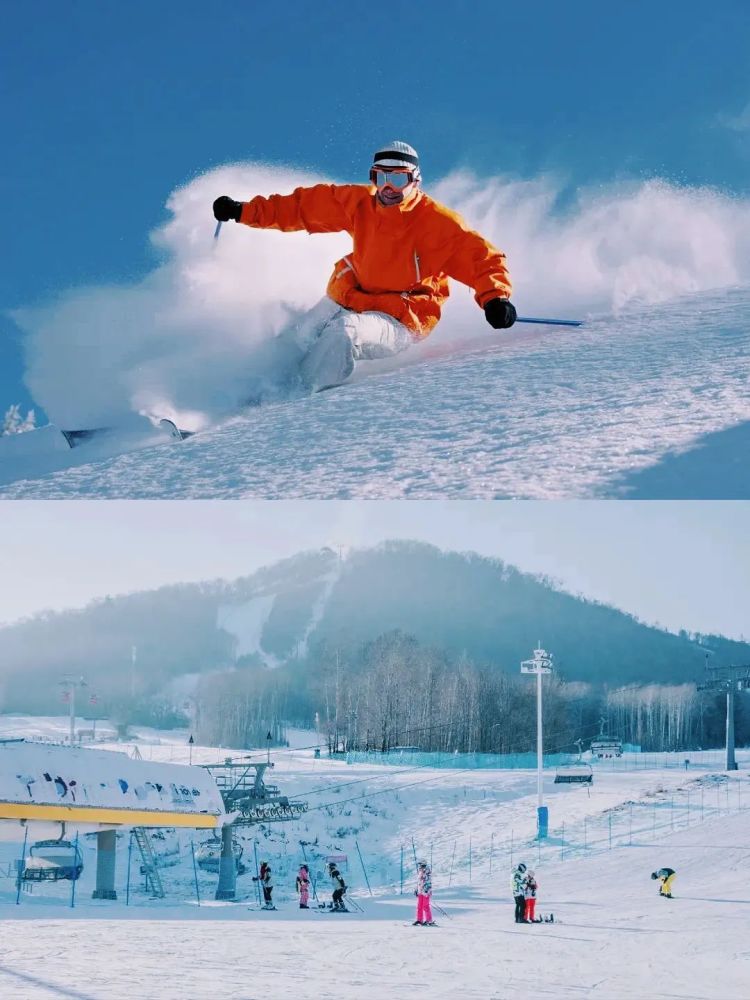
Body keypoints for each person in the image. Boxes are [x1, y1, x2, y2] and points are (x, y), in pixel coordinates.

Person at [213, 141, 516, 392]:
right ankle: (237, 400)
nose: (388, 188)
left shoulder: (435, 223)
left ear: (415, 180)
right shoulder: (360, 203)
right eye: (380, 177)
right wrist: (243, 210)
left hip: (401, 315)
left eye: (398, 178)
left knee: (344, 334)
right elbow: (302, 207)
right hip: (349, 296)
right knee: (297, 337)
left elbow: (481, 257)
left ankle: (291, 401)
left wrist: (495, 299)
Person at [413, 860, 435, 926]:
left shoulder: (427, 871)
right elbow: (419, 882)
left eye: (421, 865)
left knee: (425, 906)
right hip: (420, 892)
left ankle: (429, 920)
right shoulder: (420, 871)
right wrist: (416, 889)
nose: (420, 866)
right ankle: (419, 920)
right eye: (419, 865)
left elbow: (428, 882)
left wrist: (427, 889)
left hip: (426, 892)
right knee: (419, 906)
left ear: (424, 864)